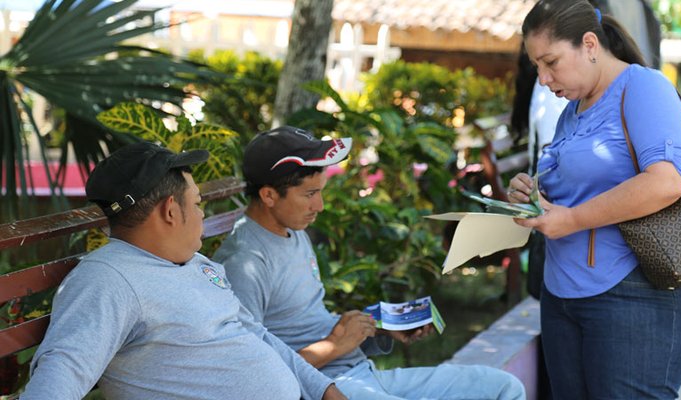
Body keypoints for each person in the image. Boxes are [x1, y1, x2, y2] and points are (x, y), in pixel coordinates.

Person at [213, 126, 526, 400]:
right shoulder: (244, 262)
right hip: (327, 386)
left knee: (503, 388)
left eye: (320, 192)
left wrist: (378, 330)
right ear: (268, 195)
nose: (319, 206)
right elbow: (252, 373)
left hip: (362, 374)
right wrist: (334, 346)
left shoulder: (291, 231)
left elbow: (304, 321)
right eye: (310, 194)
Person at [20, 142, 346, 400]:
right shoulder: (108, 279)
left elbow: (255, 334)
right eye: (197, 203)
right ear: (171, 211)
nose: (202, 214)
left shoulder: (196, 263)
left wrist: (324, 389)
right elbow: (64, 369)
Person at [506, 0, 681, 398]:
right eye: (537, 67)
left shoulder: (643, 87)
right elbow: (577, 187)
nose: (543, 79)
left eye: (551, 62)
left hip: (633, 294)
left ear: (591, 45)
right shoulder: (573, 110)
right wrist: (532, 193)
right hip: (563, 295)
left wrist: (573, 219)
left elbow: (668, 181)